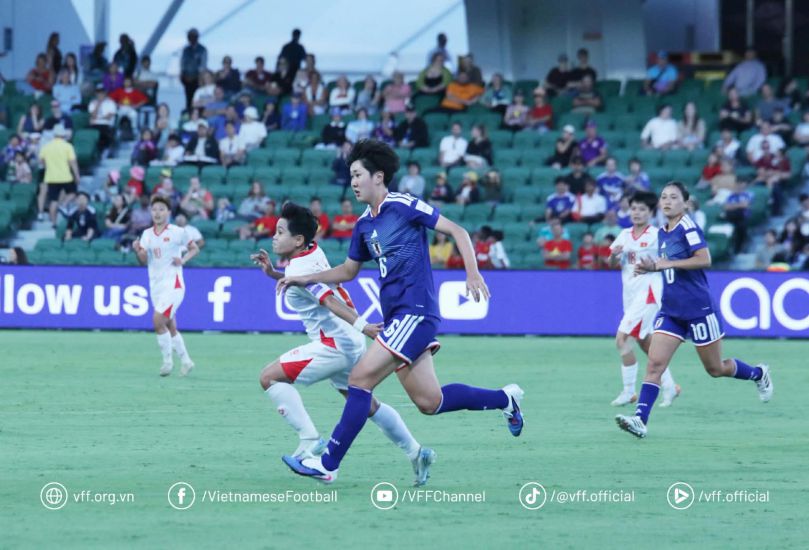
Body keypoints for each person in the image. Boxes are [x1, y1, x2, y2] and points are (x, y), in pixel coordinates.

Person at [279, 139, 524, 484]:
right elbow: (348, 271)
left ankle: (328, 463)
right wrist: (306, 278)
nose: (353, 182)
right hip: (397, 319)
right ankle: (506, 399)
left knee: (360, 379)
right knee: (430, 402)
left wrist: (472, 271)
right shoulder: (364, 225)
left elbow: (458, 230)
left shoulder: (403, 205)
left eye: (358, 174)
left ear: (378, 177)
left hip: (416, 312)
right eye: (351, 175)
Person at [252, 202, 435, 484]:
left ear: (298, 240)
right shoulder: (310, 254)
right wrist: (273, 274)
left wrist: (365, 327)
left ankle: (310, 440)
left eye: (280, 232)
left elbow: (329, 300)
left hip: (333, 344)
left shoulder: (301, 265)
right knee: (365, 404)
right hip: (347, 343)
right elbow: (308, 284)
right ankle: (416, 452)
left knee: (269, 378)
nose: (273, 237)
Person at [615, 181, 773, 439]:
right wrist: (650, 265)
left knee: (715, 369)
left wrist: (664, 263)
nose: (667, 201)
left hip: (698, 308)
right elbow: (660, 262)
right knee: (655, 364)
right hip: (671, 310)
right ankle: (640, 419)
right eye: (664, 197)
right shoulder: (664, 230)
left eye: (673, 197)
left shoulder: (687, 226)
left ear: (685, 203)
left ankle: (758, 373)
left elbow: (705, 259)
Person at [607, 191, 680, 407]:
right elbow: (611, 264)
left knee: (621, 339)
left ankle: (629, 391)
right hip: (629, 295)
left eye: (642, 209)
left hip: (648, 294)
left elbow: (671, 259)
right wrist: (613, 256)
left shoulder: (657, 235)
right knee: (646, 344)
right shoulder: (624, 234)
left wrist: (655, 266)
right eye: (634, 208)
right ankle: (670, 387)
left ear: (650, 213)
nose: (636, 213)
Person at [133, 195, 199, 376]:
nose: (157, 213)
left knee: (157, 320)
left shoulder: (177, 231)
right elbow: (143, 260)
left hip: (174, 284)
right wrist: (137, 250)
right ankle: (186, 361)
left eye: (161, 209)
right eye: (154, 209)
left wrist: (183, 259)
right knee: (170, 326)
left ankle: (167, 362)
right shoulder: (146, 235)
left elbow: (195, 248)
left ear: (168, 212)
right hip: (156, 286)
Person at [38, 124, 80, 224]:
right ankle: (63, 205)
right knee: (73, 193)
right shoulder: (68, 146)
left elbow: (41, 162)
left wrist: (50, 167)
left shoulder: (46, 147)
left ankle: (53, 223)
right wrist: (77, 175)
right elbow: (72, 162)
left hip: (51, 177)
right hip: (66, 176)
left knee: (53, 201)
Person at [180, 29, 208, 111]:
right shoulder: (185, 50)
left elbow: (203, 65)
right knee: (188, 100)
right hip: (187, 79)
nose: (190, 38)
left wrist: (198, 77)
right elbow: (183, 64)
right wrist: (183, 75)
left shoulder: (202, 49)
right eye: (189, 36)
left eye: (192, 36)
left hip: (197, 80)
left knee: (197, 99)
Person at [723, 179, 753, 254]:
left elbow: (745, 205)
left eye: (741, 185)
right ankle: (736, 248)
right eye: (738, 185)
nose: (739, 187)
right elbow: (726, 207)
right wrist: (739, 205)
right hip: (732, 217)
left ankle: (740, 247)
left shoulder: (748, 194)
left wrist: (733, 206)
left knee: (741, 225)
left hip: (743, 216)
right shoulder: (731, 196)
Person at [88, 84, 117, 154]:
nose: (100, 94)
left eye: (102, 92)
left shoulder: (111, 103)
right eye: (98, 93)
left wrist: (97, 117)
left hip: (106, 124)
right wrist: (98, 105)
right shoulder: (92, 103)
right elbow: (93, 115)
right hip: (95, 124)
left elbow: (109, 117)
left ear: (105, 93)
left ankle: (104, 151)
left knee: (103, 132)